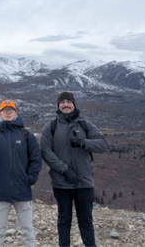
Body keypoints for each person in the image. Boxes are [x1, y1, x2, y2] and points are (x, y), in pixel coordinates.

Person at [41, 92, 108, 247]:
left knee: (86, 220)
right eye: (62, 102)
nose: (66, 105)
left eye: (69, 102)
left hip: (84, 182)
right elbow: (45, 152)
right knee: (64, 219)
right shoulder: (51, 127)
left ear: (74, 104)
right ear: (58, 106)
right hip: (61, 182)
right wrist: (64, 169)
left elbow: (103, 144)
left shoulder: (85, 125)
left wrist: (83, 143)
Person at [0, 99, 42, 247]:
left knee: (27, 230)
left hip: (23, 191)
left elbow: (36, 159)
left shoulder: (26, 135)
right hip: (0, 191)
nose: (8, 112)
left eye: (10, 109)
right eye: (4, 110)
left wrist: (30, 179)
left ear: (16, 113)